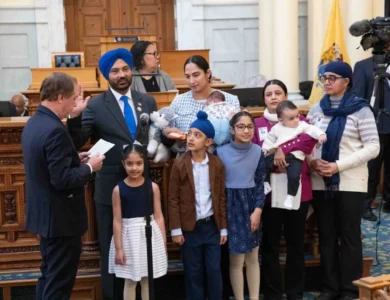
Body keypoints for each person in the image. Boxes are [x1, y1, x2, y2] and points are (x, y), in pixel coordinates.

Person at [67, 48, 157, 300]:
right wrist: (74, 116)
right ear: (107, 75)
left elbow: (153, 136)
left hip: (141, 186)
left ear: (132, 70)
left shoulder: (147, 101)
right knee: (111, 248)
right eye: (115, 71)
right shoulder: (95, 105)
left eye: (125, 69)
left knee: (142, 247)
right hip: (109, 188)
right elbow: (77, 141)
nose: (121, 75)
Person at [22, 72, 105, 300]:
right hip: (61, 221)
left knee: (49, 277)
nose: (74, 104)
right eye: (72, 98)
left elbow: (48, 164)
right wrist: (90, 168)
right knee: (59, 283)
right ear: (60, 97)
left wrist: (75, 158)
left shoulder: (35, 122)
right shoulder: (55, 130)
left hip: (46, 217)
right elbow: (62, 180)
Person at [307, 61, 379, 300]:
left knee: (349, 237)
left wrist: (339, 165)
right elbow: (305, 143)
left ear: (346, 81)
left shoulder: (361, 110)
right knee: (326, 236)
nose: (326, 82)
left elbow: (373, 147)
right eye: (324, 78)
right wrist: (312, 162)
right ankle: (330, 288)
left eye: (332, 78)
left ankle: (350, 289)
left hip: (350, 183)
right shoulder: (316, 109)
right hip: (321, 183)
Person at [253, 79, 317, 300]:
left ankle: (295, 293)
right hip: (270, 194)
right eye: (268, 94)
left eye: (278, 92)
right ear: (264, 99)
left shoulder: (301, 121)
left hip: (297, 192)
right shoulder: (257, 124)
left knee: (295, 245)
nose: (273, 97)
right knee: (270, 246)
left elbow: (309, 142)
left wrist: (282, 148)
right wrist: (273, 157)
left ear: (286, 96)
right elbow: (256, 155)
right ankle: (272, 294)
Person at [168, 111, 228, 300]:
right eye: (190, 133)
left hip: (211, 227)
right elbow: (173, 198)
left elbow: (220, 198)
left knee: (213, 269)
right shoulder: (179, 164)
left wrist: (223, 229)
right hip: (189, 228)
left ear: (208, 142)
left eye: (197, 135)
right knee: (193, 271)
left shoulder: (216, 164)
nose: (191, 138)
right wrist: (176, 229)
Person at [108, 144, 167, 300]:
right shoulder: (118, 190)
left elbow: (159, 216)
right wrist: (119, 248)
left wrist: (163, 242)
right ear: (123, 164)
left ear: (144, 163)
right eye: (130, 164)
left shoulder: (152, 187)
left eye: (139, 163)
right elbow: (117, 220)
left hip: (148, 236)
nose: (134, 168)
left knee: (148, 279)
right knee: (131, 280)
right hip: (129, 238)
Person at [217, 111, 266, 300]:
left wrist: (258, 210)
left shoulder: (257, 151)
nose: (246, 131)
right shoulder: (220, 152)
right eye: (241, 127)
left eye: (250, 127)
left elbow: (261, 182)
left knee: (253, 258)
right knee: (236, 259)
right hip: (231, 207)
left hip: (251, 205)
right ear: (232, 130)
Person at [163, 55, 240, 150]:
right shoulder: (179, 101)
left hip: (222, 158)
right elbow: (167, 132)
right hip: (188, 158)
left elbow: (238, 135)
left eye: (196, 75)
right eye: (187, 76)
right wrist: (171, 134)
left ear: (207, 73)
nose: (191, 81)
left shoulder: (230, 100)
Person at [262, 101, 326, 208]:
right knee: (264, 164)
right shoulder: (276, 128)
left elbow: (314, 129)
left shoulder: (302, 125)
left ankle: (290, 196)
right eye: (291, 118)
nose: (296, 120)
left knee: (294, 176)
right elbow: (269, 140)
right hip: (276, 155)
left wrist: (321, 135)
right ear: (281, 120)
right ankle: (265, 183)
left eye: (297, 116)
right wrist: (265, 149)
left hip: (295, 157)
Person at [353, 56, 390, 221]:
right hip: (375, 126)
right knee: (371, 169)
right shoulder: (363, 66)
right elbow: (358, 97)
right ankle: (365, 204)